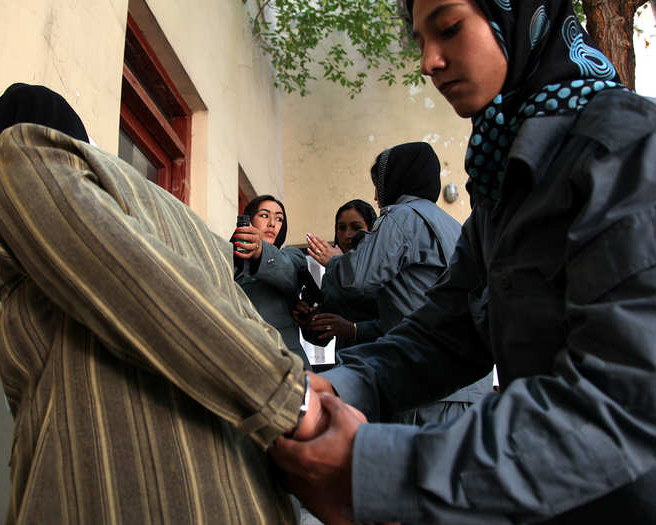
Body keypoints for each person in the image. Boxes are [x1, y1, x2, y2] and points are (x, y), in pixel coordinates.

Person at [271, 0, 656, 523]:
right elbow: (444, 334)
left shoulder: (629, 151)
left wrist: (371, 467)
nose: (429, 61)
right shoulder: (502, 189)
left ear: (518, 16)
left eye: (449, 28)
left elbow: (623, 407)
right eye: (419, 41)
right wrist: (334, 387)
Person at [0, 83, 327, 524]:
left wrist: (292, 403)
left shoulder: (9, 159)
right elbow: (244, 324)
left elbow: (140, 284)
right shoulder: (189, 225)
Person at [308, 143, 491, 425]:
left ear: (395, 179)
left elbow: (357, 278)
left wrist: (334, 262)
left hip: (426, 386)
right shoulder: (453, 225)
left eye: (377, 185)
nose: (375, 196)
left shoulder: (401, 217)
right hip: (468, 384)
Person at [233, 195, 312, 369]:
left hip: (287, 361)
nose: (272, 224)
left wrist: (259, 249)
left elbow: (287, 272)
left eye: (279, 219)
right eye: (264, 215)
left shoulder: (292, 256)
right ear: (248, 220)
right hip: (242, 360)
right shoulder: (228, 260)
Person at [294, 199, 380, 350]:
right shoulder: (332, 273)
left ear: (371, 230)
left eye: (356, 227)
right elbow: (323, 335)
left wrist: (354, 329)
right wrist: (308, 320)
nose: (348, 234)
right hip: (347, 363)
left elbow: (397, 322)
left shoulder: (384, 265)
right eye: (341, 228)